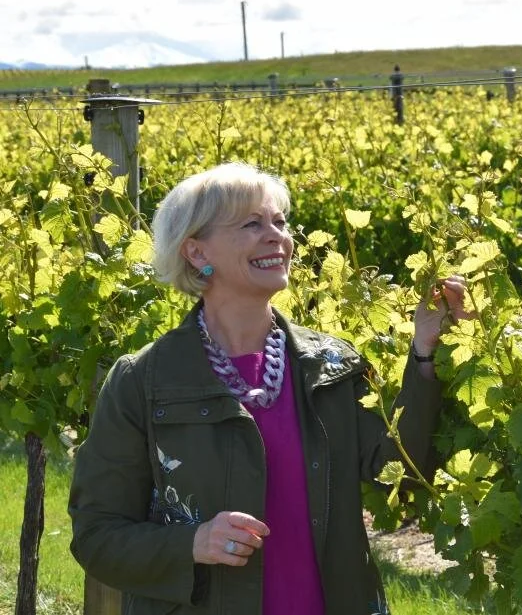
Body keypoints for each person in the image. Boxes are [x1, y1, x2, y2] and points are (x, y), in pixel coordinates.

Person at [69, 162, 469, 615]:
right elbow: (97, 535)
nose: (276, 235)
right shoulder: (142, 381)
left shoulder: (332, 365)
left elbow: (399, 471)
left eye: (280, 222)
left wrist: (423, 352)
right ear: (197, 252)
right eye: (252, 224)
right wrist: (192, 543)